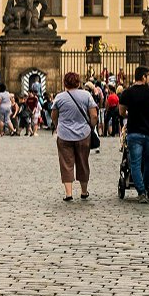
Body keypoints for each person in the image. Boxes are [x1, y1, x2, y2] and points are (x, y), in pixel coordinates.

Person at [119, 66, 149, 199]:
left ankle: (141, 191)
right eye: (148, 76)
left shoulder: (127, 93)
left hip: (134, 132)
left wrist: (130, 115)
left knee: (135, 164)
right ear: (143, 77)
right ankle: (146, 187)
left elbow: (121, 112)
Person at [52, 71, 96, 202]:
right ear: (78, 82)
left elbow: (54, 116)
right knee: (83, 162)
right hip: (83, 134)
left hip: (65, 134)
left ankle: (68, 193)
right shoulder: (86, 95)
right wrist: (91, 127)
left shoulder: (60, 97)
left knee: (66, 163)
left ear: (65, 83)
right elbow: (93, 115)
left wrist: (57, 126)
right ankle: (83, 191)